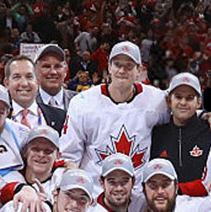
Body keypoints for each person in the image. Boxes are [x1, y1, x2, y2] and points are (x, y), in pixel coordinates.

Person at [59, 41, 169, 180]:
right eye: (117, 65)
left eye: (129, 66)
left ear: (139, 71)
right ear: (109, 67)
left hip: (138, 195)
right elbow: (69, 154)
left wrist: (203, 115)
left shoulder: (156, 100)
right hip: (95, 194)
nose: (122, 71)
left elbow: (183, 110)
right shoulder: (83, 102)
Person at [150, 73, 211, 195]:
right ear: (169, 101)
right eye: (178, 97)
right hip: (166, 206)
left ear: (198, 103)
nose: (183, 102)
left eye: (189, 98)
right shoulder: (156, 134)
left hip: (205, 206)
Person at [34, 44, 76, 127]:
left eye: (58, 66)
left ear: (65, 71)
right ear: (35, 71)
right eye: (46, 66)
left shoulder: (78, 102)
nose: (53, 72)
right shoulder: (28, 103)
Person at [6, 56, 48, 129]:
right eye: (17, 77)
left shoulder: (59, 116)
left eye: (29, 77)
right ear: (7, 83)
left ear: (37, 82)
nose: (24, 83)